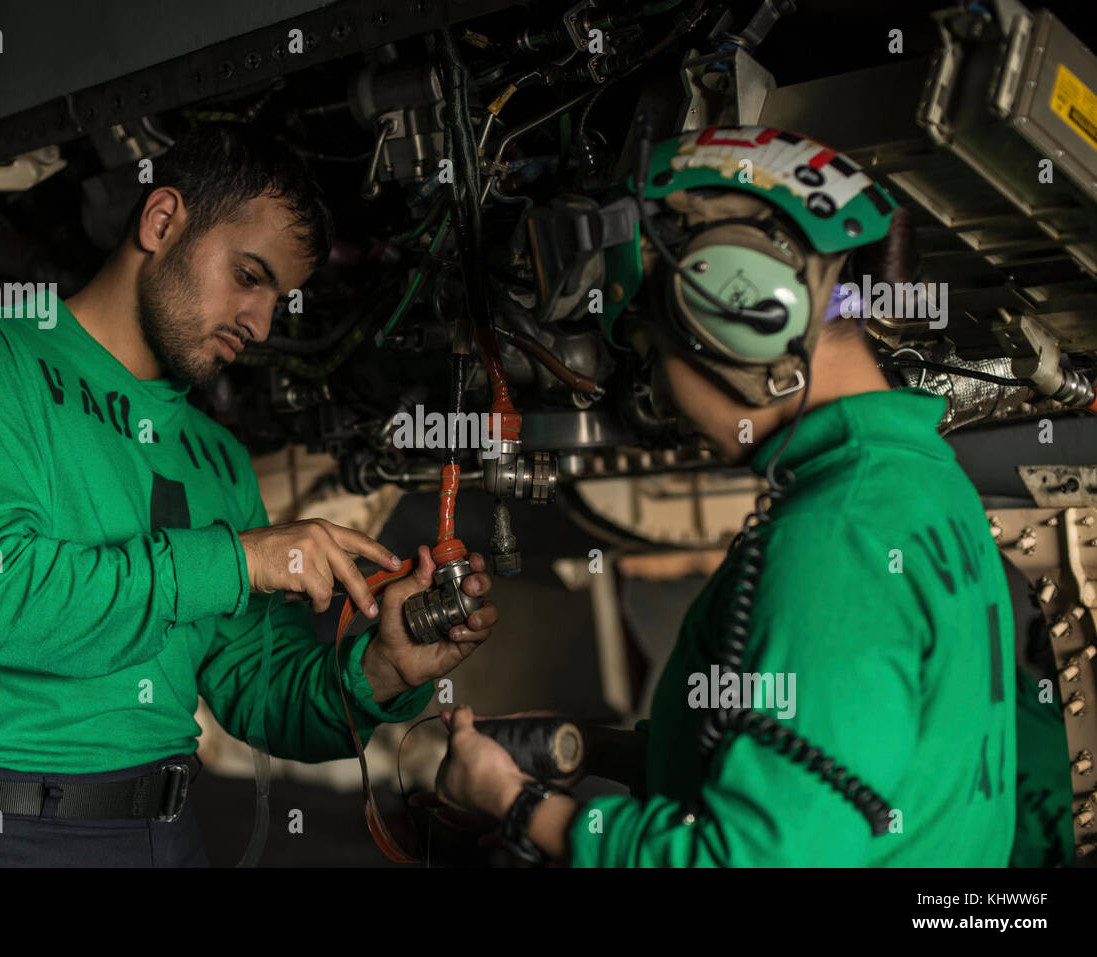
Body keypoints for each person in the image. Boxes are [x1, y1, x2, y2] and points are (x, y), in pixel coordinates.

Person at [0, 124, 498, 867]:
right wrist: (234, 561)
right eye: (250, 275)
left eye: (280, 299)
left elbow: (257, 688)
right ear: (162, 221)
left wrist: (382, 668)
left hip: (165, 834)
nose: (261, 324)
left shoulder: (218, 459)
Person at [428, 127, 1018, 866]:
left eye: (652, 355)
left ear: (740, 319)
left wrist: (520, 807)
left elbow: (755, 858)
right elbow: (828, 765)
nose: (661, 398)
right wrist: (585, 749)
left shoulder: (838, 535)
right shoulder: (922, 485)